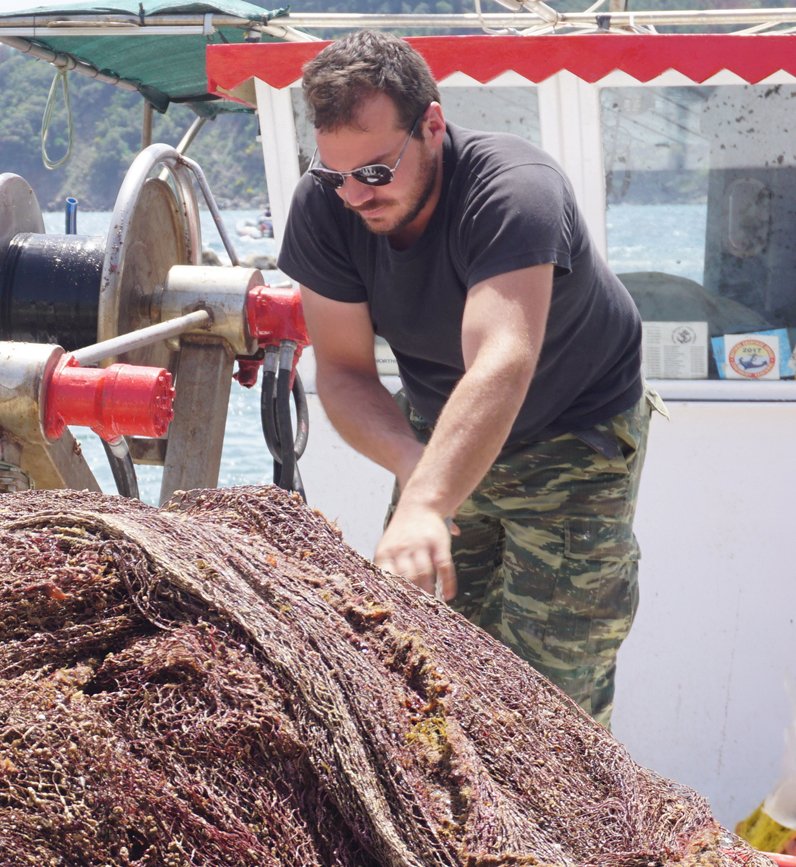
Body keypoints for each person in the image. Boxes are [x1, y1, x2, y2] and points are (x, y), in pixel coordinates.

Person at [277, 31, 656, 728]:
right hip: (441, 431)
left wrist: (423, 505)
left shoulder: (514, 189)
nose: (356, 196)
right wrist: (419, 472)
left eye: (376, 171)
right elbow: (345, 371)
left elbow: (502, 360)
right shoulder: (326, 207)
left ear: (432, 124)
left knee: (553, 708)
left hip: (574, 438)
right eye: (336, 175)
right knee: (414, 673)